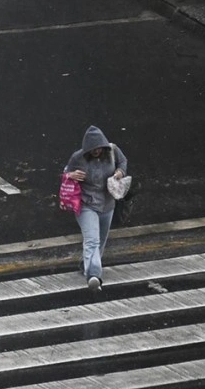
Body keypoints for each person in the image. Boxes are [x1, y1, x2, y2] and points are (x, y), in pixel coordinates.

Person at [64, 125, 127, 292]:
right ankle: (93, 275)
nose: (96, 151)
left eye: (99, 148)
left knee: (100, 241)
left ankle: (86, 264)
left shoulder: (113, 151)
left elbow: (123, 161)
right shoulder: (77, 157)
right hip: (86, 204)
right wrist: (70, 175)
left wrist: (120, 172)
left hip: (108, 204)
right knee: (92, 240)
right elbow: (66, 172)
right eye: (92, 149)